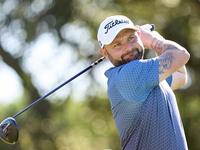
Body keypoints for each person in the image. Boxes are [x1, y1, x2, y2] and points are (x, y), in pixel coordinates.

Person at [97, 15, 190, 150]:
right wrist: (153, 40)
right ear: (104, 53)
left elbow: (181, 75)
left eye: (131, 38)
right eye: (117, 44)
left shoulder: (148, 78)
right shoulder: (127, 75)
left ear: (139, 36)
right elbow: (181, 55)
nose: (128, 48)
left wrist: (158, 39)